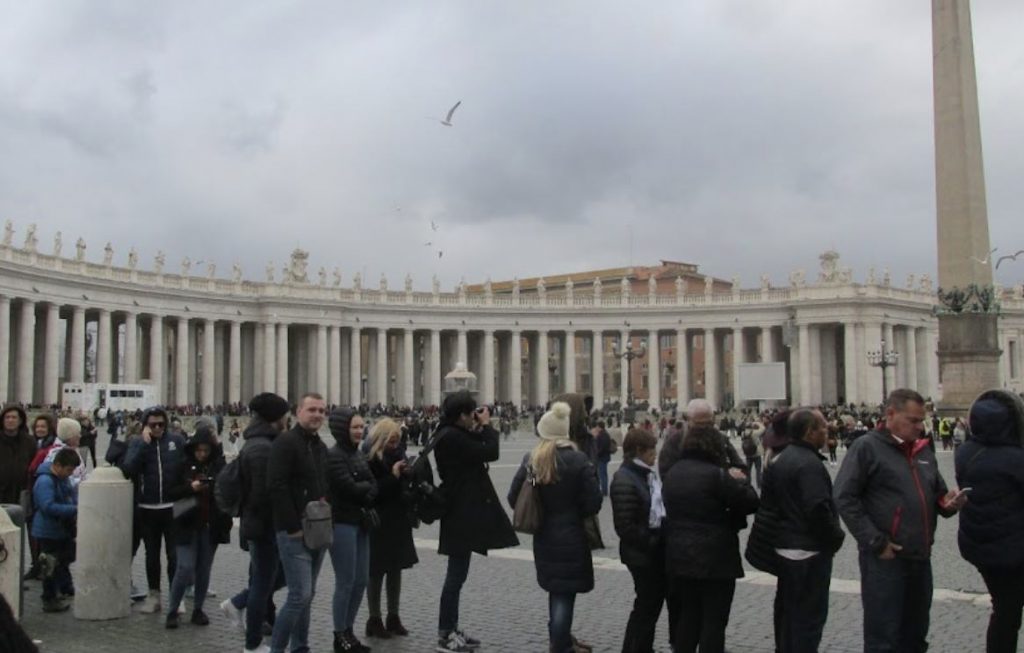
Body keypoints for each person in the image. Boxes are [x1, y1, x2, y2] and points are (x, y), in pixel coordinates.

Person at [834, 388, 969, 653]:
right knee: (884, 637)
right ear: (890, 414)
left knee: (916, 633)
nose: (920, 427)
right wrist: (874, 540)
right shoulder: (867, 448)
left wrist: (949, 503)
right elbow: (844, 497)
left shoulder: (922, 451)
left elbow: (937, 494)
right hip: (886, 559)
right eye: (913, 420)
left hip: (920, 556)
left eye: (922, 420)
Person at [508, 402, 603, 653]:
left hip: (544, 534)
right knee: (564, 594)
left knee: (556, 588)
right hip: (573, 534)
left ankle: (560, 640)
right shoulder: (578, 459)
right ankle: (560, 647)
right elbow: (593, 502)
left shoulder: (533, 460)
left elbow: (512, 498)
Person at [662, 422, 759, 653]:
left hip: (679, 555)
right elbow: (750, 503)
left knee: (688, 615)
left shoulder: (673, 473)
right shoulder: (717, 475)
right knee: (714, 619)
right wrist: (741, 480)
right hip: (716, 558)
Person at [434, 390, 519, 653]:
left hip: (461, 512)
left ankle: (451, 628)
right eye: (471, 413)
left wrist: (478, 426)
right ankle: (446, 633)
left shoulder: (450, 434)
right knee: (454, 577)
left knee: (457, 576)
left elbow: (478, 449)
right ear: (461, 415)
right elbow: (490, 451)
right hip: (459, 514)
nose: (475, 417)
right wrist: (487, 425)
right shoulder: (452, 438)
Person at [762, 409, 845, 653]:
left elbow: (769, 504)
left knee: (787, 616)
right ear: (810, 432)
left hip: (785, 548)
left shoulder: (781, 459)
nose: (827, 432)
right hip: (808, 552)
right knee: (808, 620)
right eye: (823, 429)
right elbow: (818, 509)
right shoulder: (809, 464)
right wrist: (835, 537)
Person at [955, 390, 1024, 653]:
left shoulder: (965, 453)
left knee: (1004, 610)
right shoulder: (1016, 460)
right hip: (1014, 549)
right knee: (1008, 612)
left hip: (980, 546)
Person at [222, 392, 291, 653]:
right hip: (264, 526)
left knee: (272, 579)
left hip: (263, 524)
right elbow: (265, 494)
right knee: (263, 586)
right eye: (284, 413)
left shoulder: (261, 442)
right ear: (276, 417)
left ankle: (239, 602)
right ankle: (252, 645)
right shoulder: (262, 447)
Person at [267, 393, 329, 653]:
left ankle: (300, 647)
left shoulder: (319, 446)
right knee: (298, 595)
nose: (317, 415)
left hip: (318, 530)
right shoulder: (285, 443)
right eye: (311, 409)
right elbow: (276, 486)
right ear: (297, 412)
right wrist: (292, 526)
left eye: (321, 411)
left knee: (307, 595)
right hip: (293, 532)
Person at [120, 407, 187, 614]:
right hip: (147, 508)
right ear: (145, 425)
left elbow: (185, 470)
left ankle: (177, 596)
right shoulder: (138, 443)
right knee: (152, 555)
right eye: (153, 424)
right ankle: (154, 595)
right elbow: (127, 469)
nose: (157, 428)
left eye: (161, 424)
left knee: (174, 555)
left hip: (172, 507)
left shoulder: (177, 441)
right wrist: (142, 444)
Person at [165, 428, 230, 629]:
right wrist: (190, 488)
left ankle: (198, 609)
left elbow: (226, 490)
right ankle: (172, 610)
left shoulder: (218, 467)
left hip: (210, 525)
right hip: (186, 523)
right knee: (184, 567)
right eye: (199, 450)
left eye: (206, 450)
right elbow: (170, 492)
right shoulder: (181, 466)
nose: (202, 454)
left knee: (203, 570)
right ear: (193, 449)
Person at [610, 428, 668, 653]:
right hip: (642, 554)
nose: (655, 453)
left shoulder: (644, 474)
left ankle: (640, 647)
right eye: (651, 449)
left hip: (647, 553)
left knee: (648, 604)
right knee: (646, 605)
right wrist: (653, 542)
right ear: (638, 451)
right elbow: (625, 526)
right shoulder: (626, 478)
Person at [326, 407, 377, 653]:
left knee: (361, 580)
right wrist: (365, 487)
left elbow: (372, 485)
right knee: (345, 582)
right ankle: (339, 634)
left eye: (361, 427)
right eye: (354, 427)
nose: (359, 431)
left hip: (361, 523)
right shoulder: (334, 455)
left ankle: (349, 630)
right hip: (342, 523)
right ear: (342, 429)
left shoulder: (357, 454)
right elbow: (348, 488)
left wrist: (365, 487)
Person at [365, 418, 418, 639]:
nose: (395, 446)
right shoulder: (368, 460)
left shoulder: (400, 456)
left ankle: (393, 617)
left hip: (398, 520)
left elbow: (404, 488)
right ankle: (374, 619)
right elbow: (374, 492)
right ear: (381, 440)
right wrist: (394, 475)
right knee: (376, 572)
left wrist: (409, 474)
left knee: (396, 569)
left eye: (397, 441)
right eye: (391, 441)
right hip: (379, 522)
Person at [31, 447, 80, 613]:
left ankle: (64, 588)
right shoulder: (45, 481)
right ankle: (49, 598)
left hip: (61, 529)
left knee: (63, 560)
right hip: (48, 530)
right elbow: (47, 506)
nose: (70, 473)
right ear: (58, 465)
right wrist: (74, 509)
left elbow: (70, 495)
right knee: (50, 565)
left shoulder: (62, 479)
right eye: (68, 470)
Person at [658, 399, 744, 477]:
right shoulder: (675, 441)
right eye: (699, 424)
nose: (704, 427)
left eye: (708, 423)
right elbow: (665, 472)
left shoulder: (720, 438)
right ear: (688, 420)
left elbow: (740, 466)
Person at [1, 405, 35, 506]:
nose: (10, 420)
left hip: (20, 494)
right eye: (7, 417)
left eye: (14, 417)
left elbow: (34, 465)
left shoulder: (29, 442)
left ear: (20, 421)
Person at [593, 422, 613, 496]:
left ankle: (604, 490)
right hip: (605, 456)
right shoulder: (606, 434)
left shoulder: (601, 435)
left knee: (602, 474)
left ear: (599, 427)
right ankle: (604, 489)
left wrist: (597, 453)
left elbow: (602, 447)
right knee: (603, 474)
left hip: (602, 457)